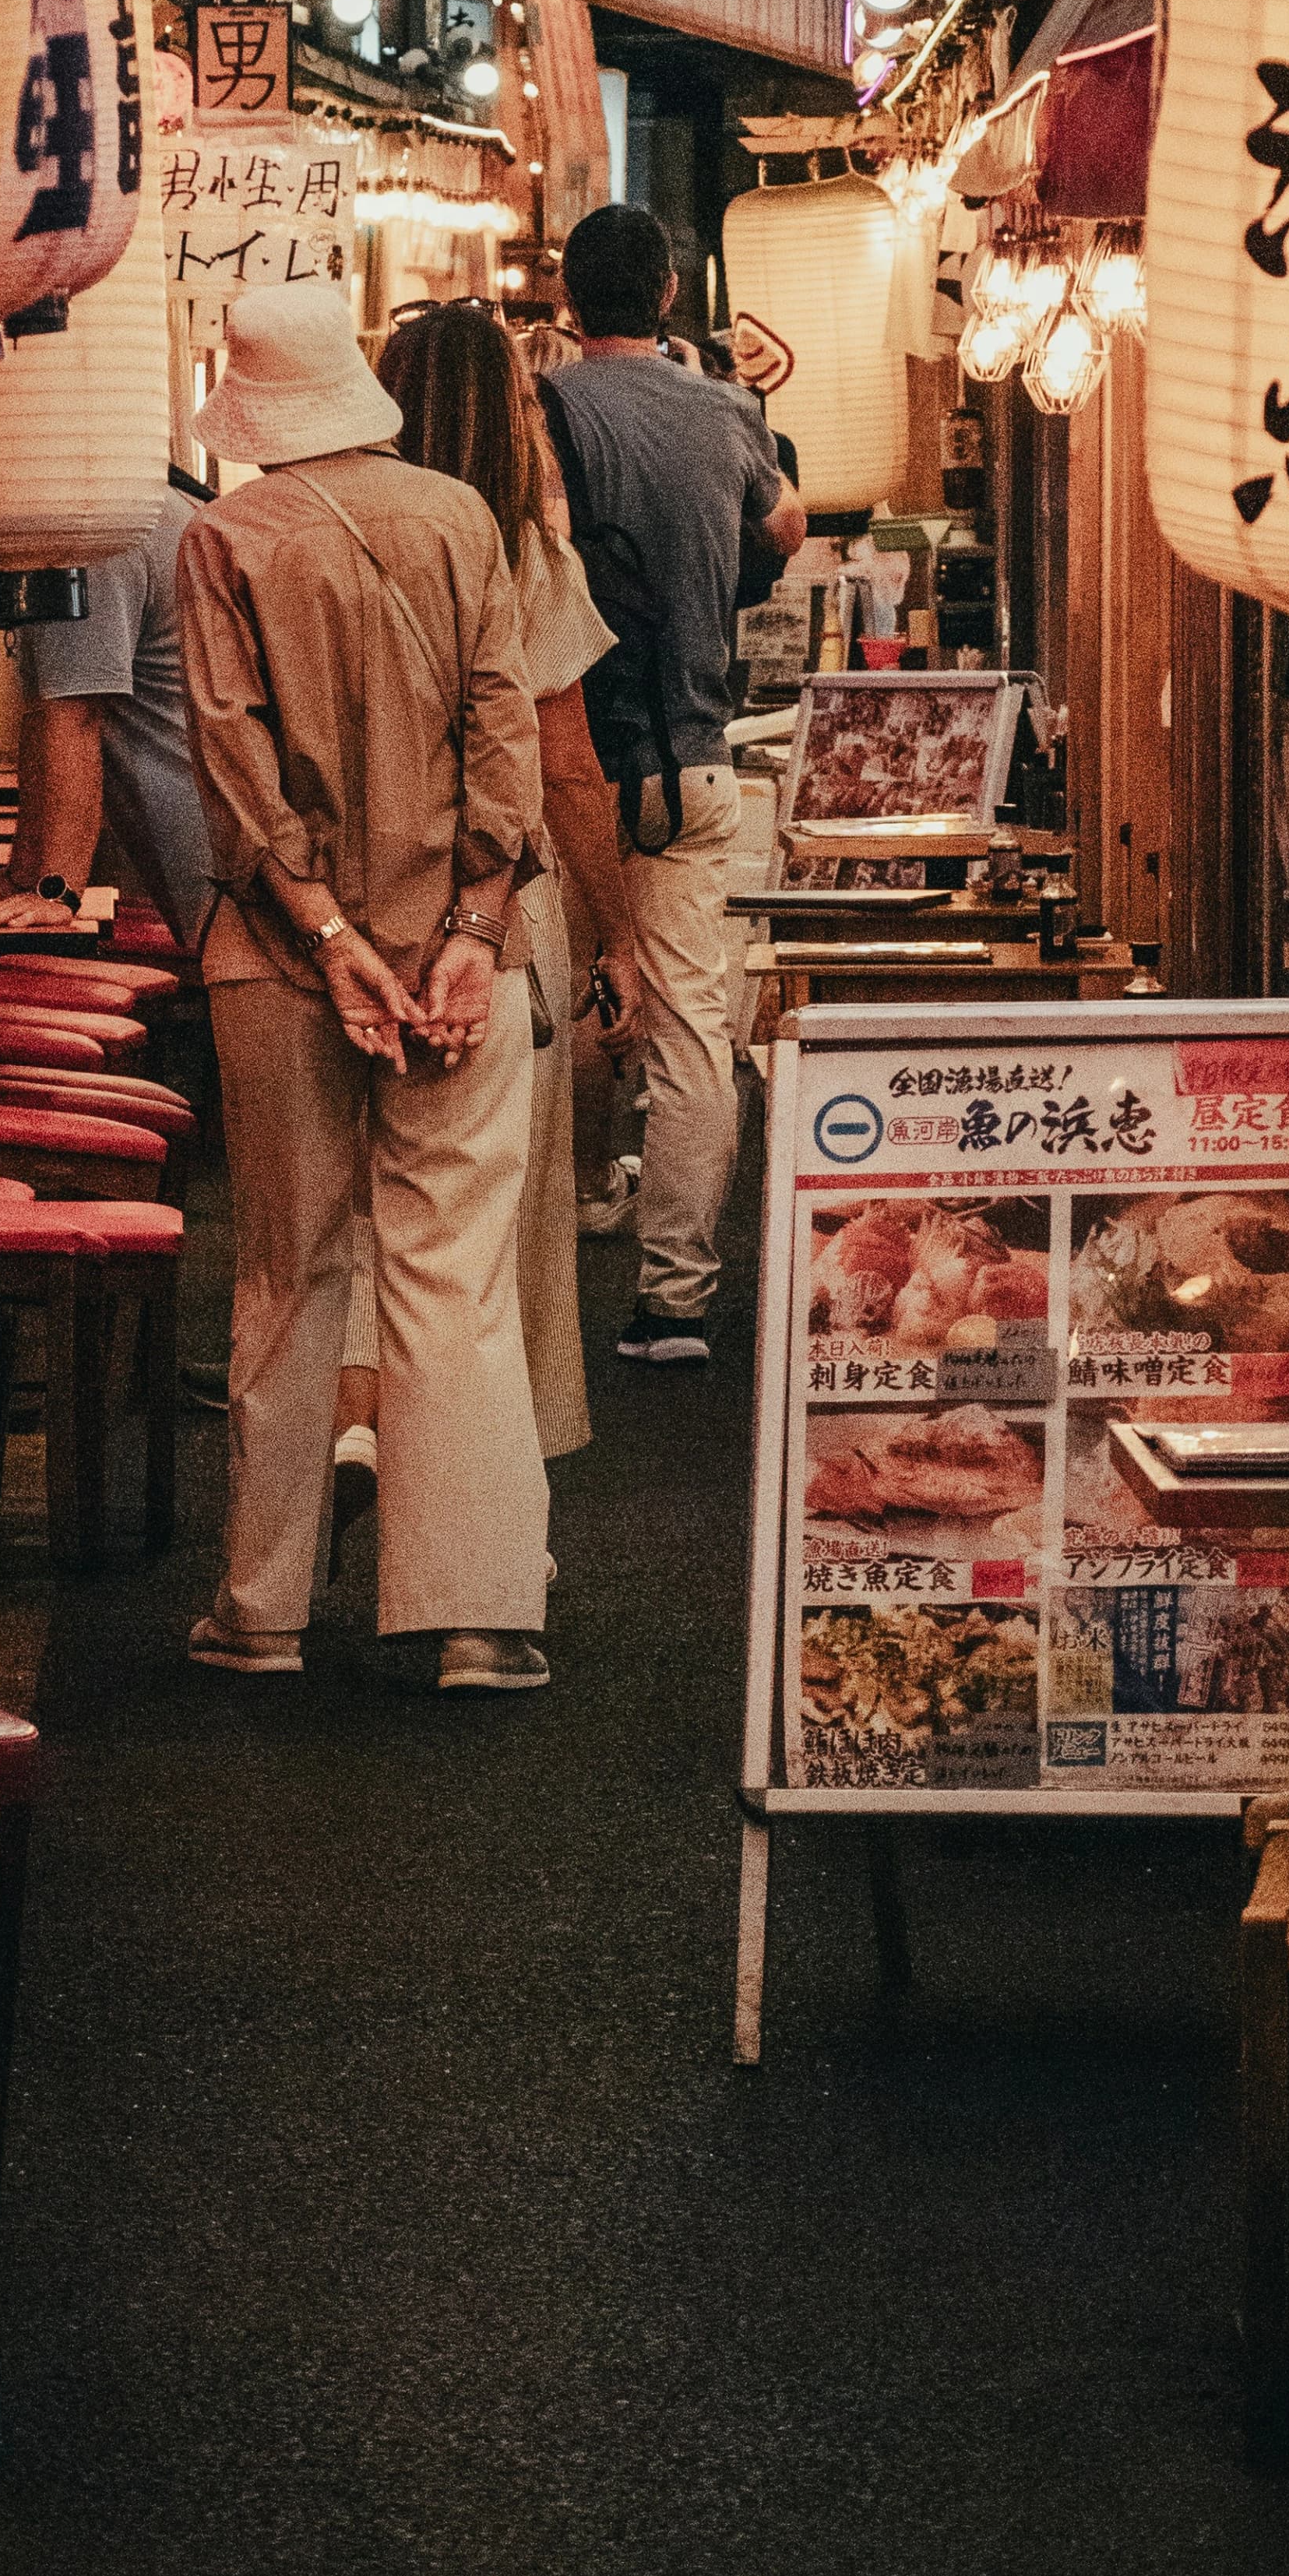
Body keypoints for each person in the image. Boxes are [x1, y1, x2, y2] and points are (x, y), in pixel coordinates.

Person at [176, 282, 555, 1694]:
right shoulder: (459, 518)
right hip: (458, 945)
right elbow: (499, 722)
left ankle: (262, 1610)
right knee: (452, 1269)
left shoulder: (222, 542)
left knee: (287, 1274)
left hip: (277, 963)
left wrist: (329, 935)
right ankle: (476, 1617)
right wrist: (468, 924)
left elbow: (231, 753)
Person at [353, 298, 644, 1470]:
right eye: (525, 399)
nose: (538, 415)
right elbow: (566, 768)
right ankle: (488, 1486)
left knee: (382, 1206)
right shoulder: (524, 550)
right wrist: (620, 934)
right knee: (501, 1217)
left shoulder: (345, 534)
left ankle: (373, 1421)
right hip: (498, 908)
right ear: (498, 412)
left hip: (354, 909)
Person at [544, 200, 806, 1364]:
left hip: (571, 767)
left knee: (559, 1010)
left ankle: (538, 1269)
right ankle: (676, 1300)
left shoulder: (542, 411)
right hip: (699, 759)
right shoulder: (728, 408)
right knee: (699, 1029)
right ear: (664, 295)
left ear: (565, 301)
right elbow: (789, 526)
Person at [0, 473, 218, 945]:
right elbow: (43, 713)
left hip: (200, 851)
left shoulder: (98, 528)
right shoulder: (123, 502)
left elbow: (76, 717)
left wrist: (57, 891)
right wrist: (24, 873)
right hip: (187, 834)